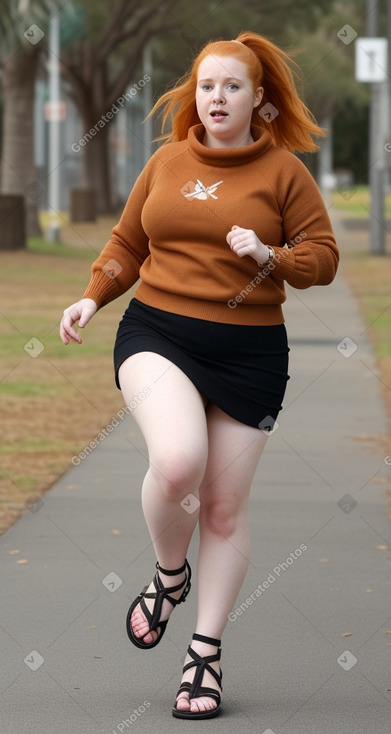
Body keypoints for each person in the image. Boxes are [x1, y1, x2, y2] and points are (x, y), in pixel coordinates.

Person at [60, 31, 339, 719]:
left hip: (250, 353)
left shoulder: (283, 174)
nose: (216, 97)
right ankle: (167, 574)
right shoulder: (165, 162)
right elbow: (128, 243)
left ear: (259, 101)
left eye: (232, 86)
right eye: (206, 86)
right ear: (196, 96)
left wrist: (270, 256)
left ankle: (203, 656)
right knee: (178, 461)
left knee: (221, 508)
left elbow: (323, 258)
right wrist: (92, 295)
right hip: (158, 332)